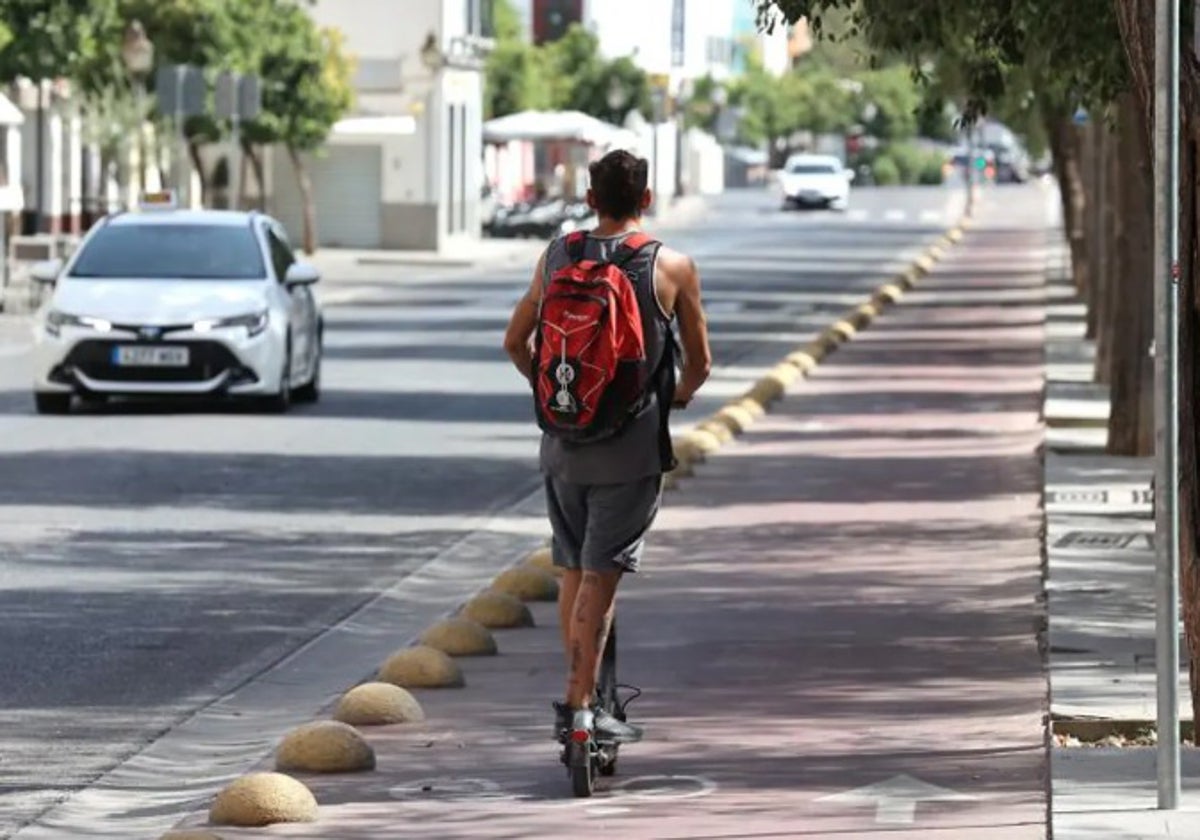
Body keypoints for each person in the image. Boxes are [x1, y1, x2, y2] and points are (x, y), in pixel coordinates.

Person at [502, 149, 712, 743]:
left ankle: (581, 700)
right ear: (646, 200)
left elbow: (516, 343)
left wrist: (558, 397)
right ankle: (580, 711)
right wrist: (674, 396)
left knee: (573, 567)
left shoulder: (558, 256)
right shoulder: (671, 266)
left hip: (564, 444)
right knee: (602, 576)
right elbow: (700, 363)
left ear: (590, 199)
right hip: (632, 450)